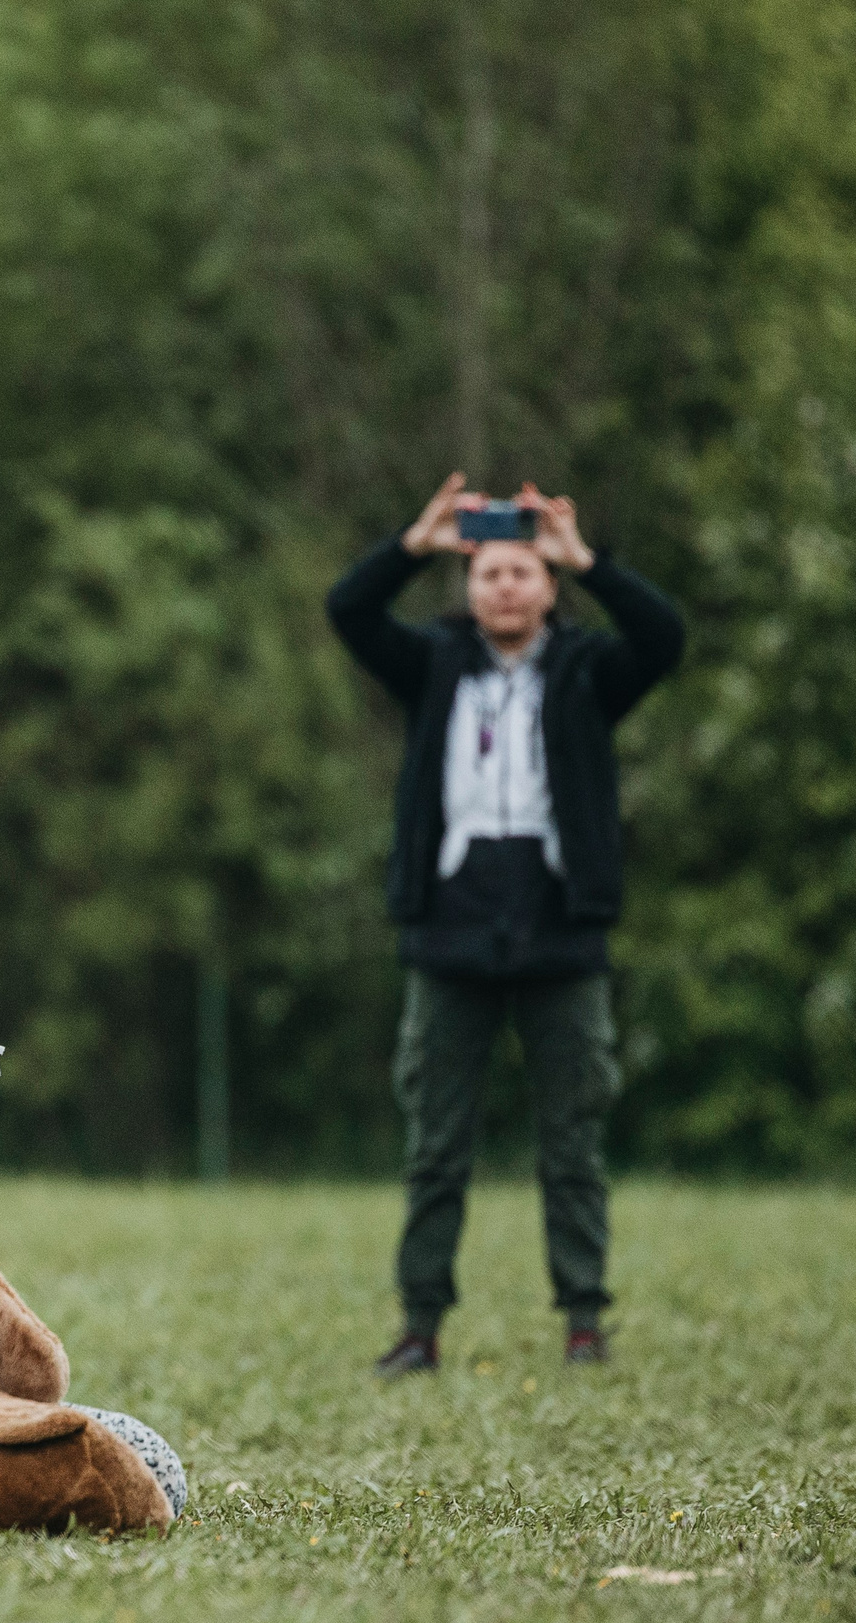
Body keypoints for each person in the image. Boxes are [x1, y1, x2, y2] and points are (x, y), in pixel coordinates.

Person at [327, 474, 684, 1375]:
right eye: (489, 573)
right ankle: (420, 1326)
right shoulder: (436, 662)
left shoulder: (590, 671)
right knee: (436, 1146)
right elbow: (349, 610)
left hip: (563, 930)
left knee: (573, 1142)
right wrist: (415, 544)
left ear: (548, 584)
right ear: (470, 584)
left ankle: (583, 1322)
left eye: (524, 571)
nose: (506, 588)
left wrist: (591, 558)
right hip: (450, 931)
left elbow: (665, 636)